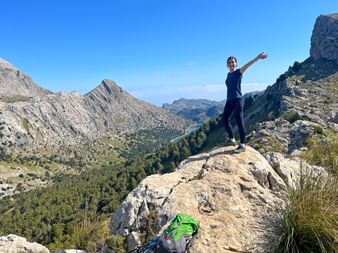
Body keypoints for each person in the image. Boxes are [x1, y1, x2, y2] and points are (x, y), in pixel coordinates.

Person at [223, 52, 268, 153]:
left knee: (239, 122)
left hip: (238, 100)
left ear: (236, 64)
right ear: (227, 65)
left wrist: (257, 58)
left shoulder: (238, 72)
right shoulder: (228, 75)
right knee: (225, 119)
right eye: (229, 62)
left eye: (233, 62)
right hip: (229, 100)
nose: (231, 64)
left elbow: (248, 65)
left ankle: (243, 144)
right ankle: (232, 139)